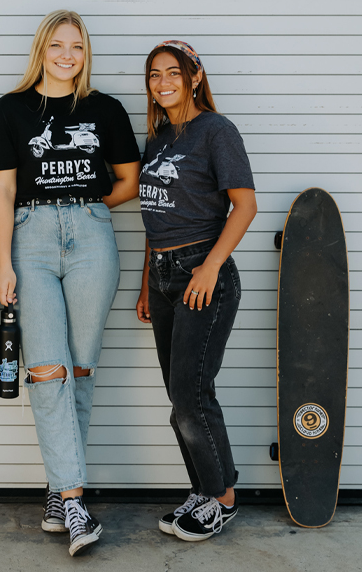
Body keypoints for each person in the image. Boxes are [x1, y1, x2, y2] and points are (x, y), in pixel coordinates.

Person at [0, 11, 141, 556]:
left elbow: (129, 182)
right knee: (48, 370)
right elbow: (1, 195)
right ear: (41, 50)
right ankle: (75, 503)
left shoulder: (105, 110)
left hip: (93, 237)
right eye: (57, 45)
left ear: (85, 52)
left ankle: (57, 488)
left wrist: (88, 206)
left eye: (76, 46)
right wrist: (4, 263)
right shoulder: (9, 110)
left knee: (81, 367)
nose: (67, 55)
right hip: (30, 240)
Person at [135, 40, 257, 542]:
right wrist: (147, 283)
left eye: (173, 73)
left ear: (194, 77)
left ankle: (223, 499)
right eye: (154, 74)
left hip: (202, 276)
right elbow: (153, 218)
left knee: (192, 396)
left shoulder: (216, 130)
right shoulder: (158, 137)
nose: (163, 82)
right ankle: (205, 490)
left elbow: (244, 205)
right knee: (178, 395)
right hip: (164, 277)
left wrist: (210, 267)